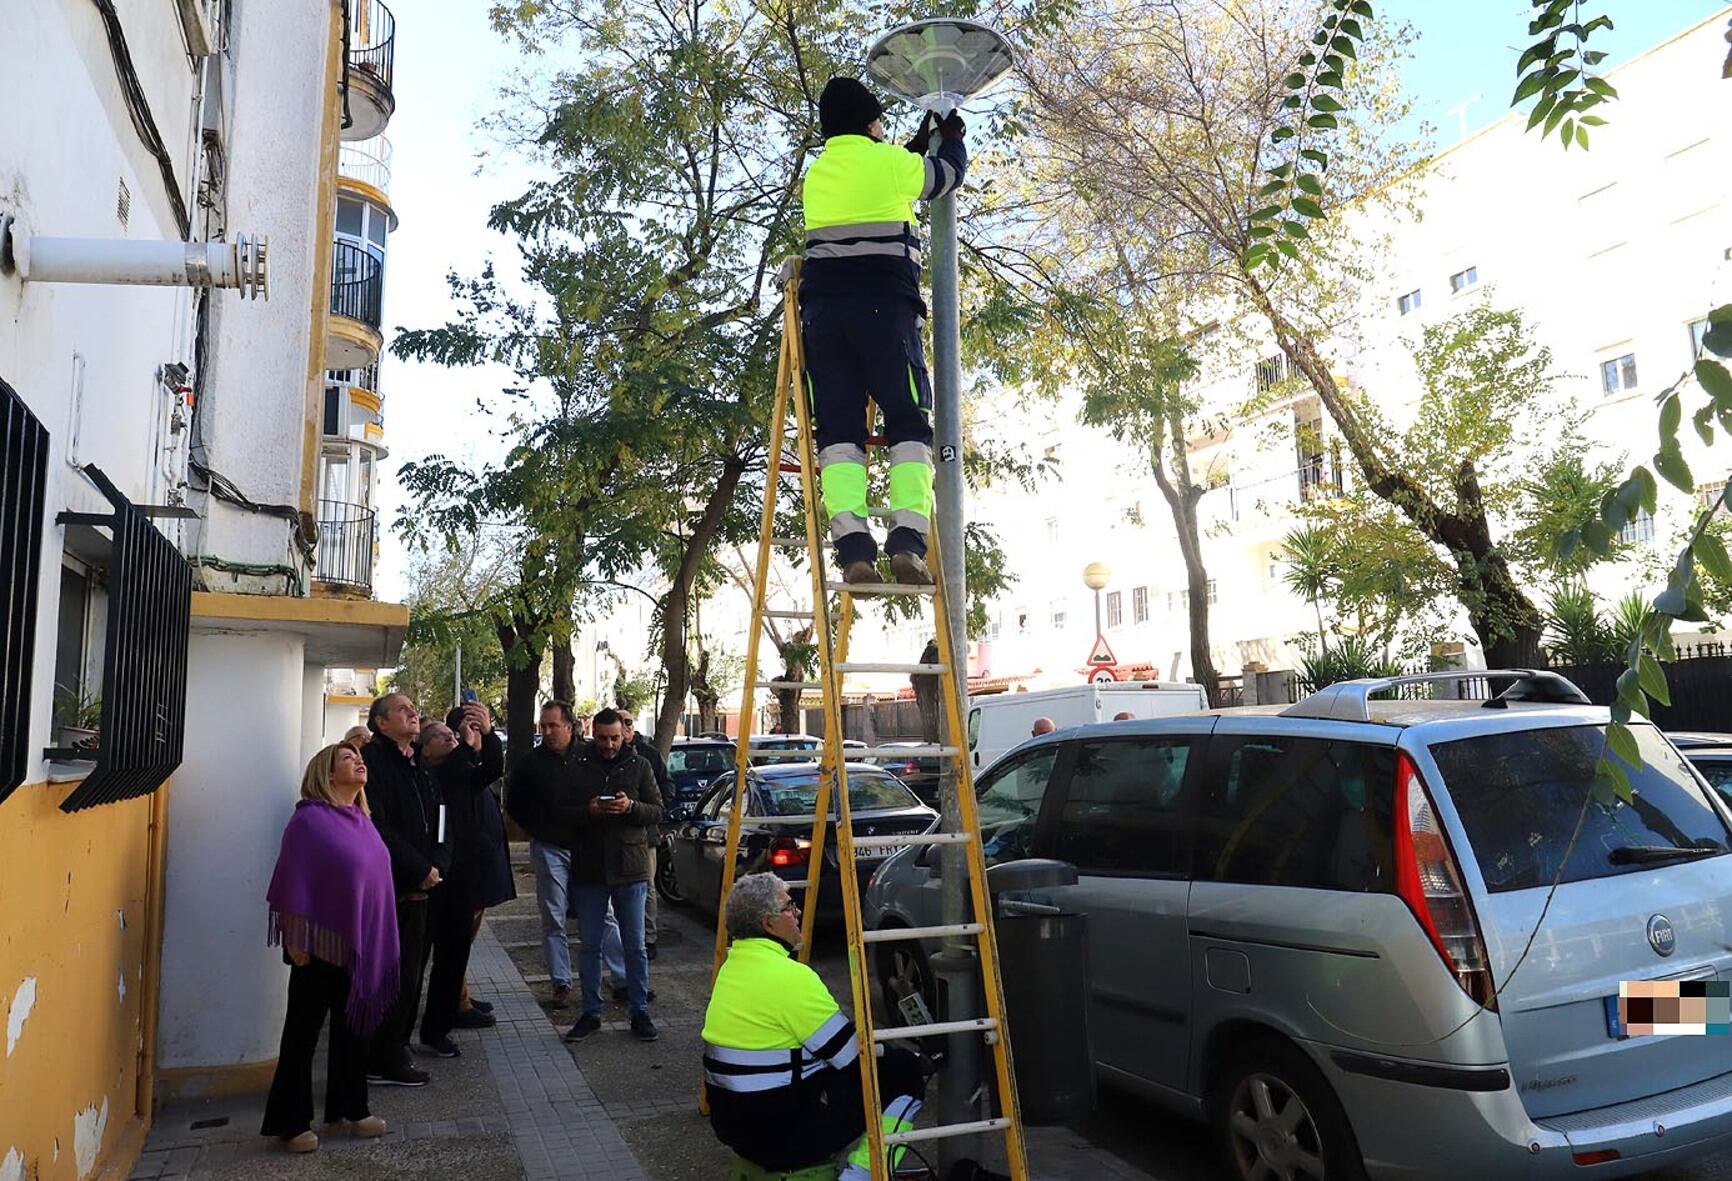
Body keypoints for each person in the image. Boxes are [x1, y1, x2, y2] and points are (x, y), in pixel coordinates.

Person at [800, 76, 968, 588]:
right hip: (885, 316)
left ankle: (853, 548)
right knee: (909, 427)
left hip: (824, 322)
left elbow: (882, 172)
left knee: (840, 437)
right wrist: (954, 139)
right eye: (878, 120)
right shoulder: (892, 166)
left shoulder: (819, 174)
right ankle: (907, 542)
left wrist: (915, 142)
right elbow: (943, 177)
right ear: (869, 122)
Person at [701, 873, 928, 1179]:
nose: (798, 914)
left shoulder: (731, 968)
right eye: (789, 906)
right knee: (907, 1077)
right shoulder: (791, 977)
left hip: (733, 1124)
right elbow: (851, 1056)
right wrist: (908, 1058)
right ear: (768, 923)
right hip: (784, 1135)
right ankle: (862, 1175)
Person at [260, 744, 398, 1152]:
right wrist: (296, 938)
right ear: (327, 773)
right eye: (346, 758)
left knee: (354, 1027)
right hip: (318, 945)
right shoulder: (310, 820)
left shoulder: (362, 819)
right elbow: (291, 879)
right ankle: (290, 1122)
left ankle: (352, 1109)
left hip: (360, 944)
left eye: (359, 758)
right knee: (303, 1032)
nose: (359, 762)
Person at [505, 701, 628, 1010]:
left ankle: (622, 977)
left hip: (588, 846)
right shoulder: (531, 764)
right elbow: (515, 803)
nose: (546, 732)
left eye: (552, 726)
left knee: (605, 914)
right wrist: (537, 827)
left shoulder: (590, 755)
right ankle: (561, 980)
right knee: (553, 916)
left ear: (570, 727)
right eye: (542, 726)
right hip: (550, 846)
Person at [561, 708, 663, 1044]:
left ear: (625, 735)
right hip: (590, 868)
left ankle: (639, 1010)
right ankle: (591, 1012)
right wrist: (588, 811)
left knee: (635, 945)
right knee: (590, 946)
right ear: (593, 734)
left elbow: (658, 810)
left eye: (615, 738)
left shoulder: (640, 765)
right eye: (602, 738)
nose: (608, 744)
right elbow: (561, 813)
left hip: (630, 867)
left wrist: (631, 807)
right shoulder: (576, 767)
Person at [360, 692, 446, 1087]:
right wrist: (418, 868)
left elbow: (439, 816)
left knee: (413, 975)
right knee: (392, 977)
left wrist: (440, 863)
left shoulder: (419, 764)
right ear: (380, 723)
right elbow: (377, 826)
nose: (413, 713)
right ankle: (382, 1058)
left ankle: (398, 1048)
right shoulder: (373, 763)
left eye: (414, 708)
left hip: (426, 884)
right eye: (402, 710)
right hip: (394, 888)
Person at [415, 706, 509, 1058]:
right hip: (435, 875)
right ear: (425, 749)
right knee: (421, 959)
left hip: (463, 876)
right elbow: (459, 771)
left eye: (453, 734)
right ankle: (405, 1034)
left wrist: (486, 734)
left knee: (453, 957)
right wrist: (471, 744)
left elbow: (491, 769)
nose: (452, 738)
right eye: (443, 735)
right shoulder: (432, 772)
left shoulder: (461, 768)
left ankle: (438, 1026)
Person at [617, 711, 670, 960]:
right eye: (621, 723)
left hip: (645, 833)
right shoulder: (603, 754)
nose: (625, 728)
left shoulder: (647, 756)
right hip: (613, 835)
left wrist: (655, 819)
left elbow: (665, 791)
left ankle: (648, 937)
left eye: (628, 722)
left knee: (647, 886)